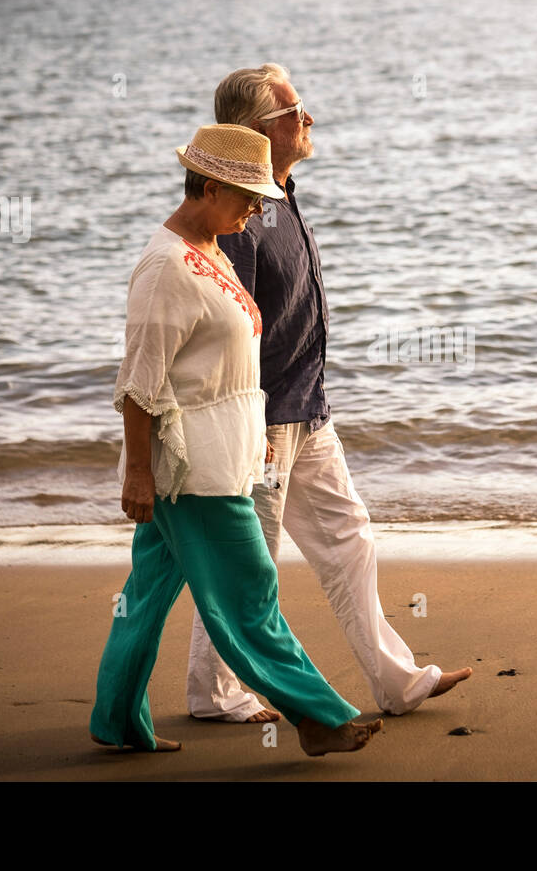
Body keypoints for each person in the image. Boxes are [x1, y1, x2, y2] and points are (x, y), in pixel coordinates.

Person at [185, 64, 472, 723]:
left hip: (308, 411)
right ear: (259, 130)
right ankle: (215, 694)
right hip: (261, 419)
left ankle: (400, 684)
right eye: (294, 110)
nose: (307, 118)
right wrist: (249, 426)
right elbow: (234, 327)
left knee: (351, 541)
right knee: (247, 566)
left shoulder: (281, 193)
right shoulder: (242, 218)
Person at [89, 123, 380, 757]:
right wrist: (138, 473)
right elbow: (138, 384)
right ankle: (320, 716)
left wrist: (258, 439)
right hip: (192, 470)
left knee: (144, 597)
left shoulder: (213, 245)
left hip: (224, 453)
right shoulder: (165, 266)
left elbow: (226, 366)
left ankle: (115, 722)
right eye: (248, 195)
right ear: (210, 185)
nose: (257, 209)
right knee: (251, 594)